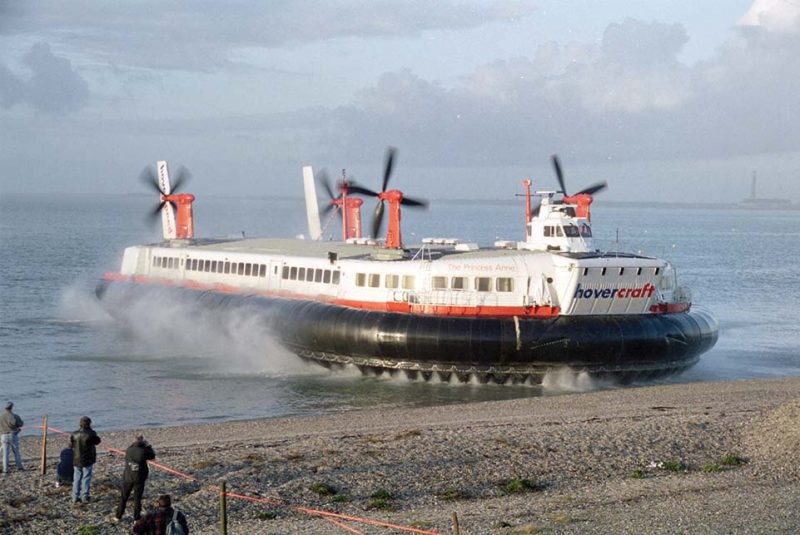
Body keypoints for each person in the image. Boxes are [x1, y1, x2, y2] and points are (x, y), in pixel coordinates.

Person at [113, 435, 155, 522]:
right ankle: (136, 517)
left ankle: (118, 516)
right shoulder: (144, 451)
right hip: (139, 477)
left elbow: (133, 447)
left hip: (128, 476)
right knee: (137, 498)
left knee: (124, 497)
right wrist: (148, 446)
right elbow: (152, 455)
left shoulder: (129, 450)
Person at [70, 416, 101, 504]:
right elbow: (97, 441)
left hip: (77, 458)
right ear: (89, 424)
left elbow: (72, 444)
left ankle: (75, 497)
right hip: (87, 459)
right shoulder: (91, 433)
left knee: (77, 478)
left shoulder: (74, 434)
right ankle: (84, 497)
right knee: (86, 478)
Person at [0, 401, 24, 474]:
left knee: (5, 453)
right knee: (16, 452)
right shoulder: (14, 416)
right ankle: (19, 467)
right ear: (11, 408)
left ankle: (5, 469)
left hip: (3, 435)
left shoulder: (1, 416)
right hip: (13, 435)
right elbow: (21, 424)